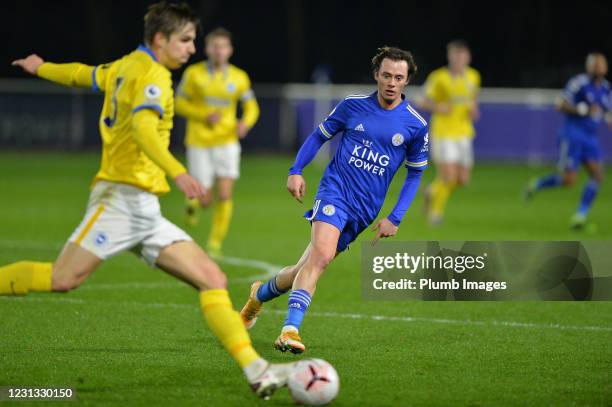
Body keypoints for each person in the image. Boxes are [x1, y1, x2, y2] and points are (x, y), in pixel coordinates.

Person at [1, 2, 290, 398]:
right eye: (185, 40)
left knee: (213, 279)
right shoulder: (153, 75)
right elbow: (142, 127)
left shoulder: (125, 66)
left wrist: (41, 66)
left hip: (145, 209)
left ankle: (257, 370)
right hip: (119, 199)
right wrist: (179, 171)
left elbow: (82, 75)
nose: (192, 48)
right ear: (160, 39)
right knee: (62, 279)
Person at [240, 46, 429, 354]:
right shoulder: (353, 105)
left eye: (398, 77)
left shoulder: (416, 125)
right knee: (322, 256)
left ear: (407, 81)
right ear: (376, 76)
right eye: (386, 75)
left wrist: (395, 217)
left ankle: (257, 296)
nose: (391, 82)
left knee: (306, 266)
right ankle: (290, 330)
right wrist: (296, 170)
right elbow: (319, 136)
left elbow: (415, 174)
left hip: (365, 210)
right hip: (335, 191)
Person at [176, 27, 259, 256]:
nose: (219, 51)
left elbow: (252, 106)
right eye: (215, 46)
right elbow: (178, 103)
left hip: (227, 142)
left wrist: (246, 123)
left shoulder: (239, 77)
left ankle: (215, 243)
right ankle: (193, 204)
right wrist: (202, 115)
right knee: (204, 199)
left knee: (224, 195)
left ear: (230, 50)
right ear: (207, 49)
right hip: (199, 142)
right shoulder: (194, 74)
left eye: (223, 46)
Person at [525, 52, 611, 229]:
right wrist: (582, 110)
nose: (599, 67)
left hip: (590, 138)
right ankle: (537, 184)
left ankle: (580, 216)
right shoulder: (578, 83)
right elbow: (560, 104)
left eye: (602, 64)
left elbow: (607, 112)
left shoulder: (606, 88)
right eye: (596, 64)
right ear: (589, 67)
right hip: (573, 135)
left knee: (597, 175)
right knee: (568, 180)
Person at [417, 40, 481, 225]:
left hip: (464, 132)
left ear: (467, 57)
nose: (459, 59)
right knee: (448, 176)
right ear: (449, 56)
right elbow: (421, 100)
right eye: (455, 55)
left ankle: (431, 192)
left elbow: (472, 99)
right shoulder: (439, 77)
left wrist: (473, 109)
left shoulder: (473, 77)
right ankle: (435, 214)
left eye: (462, 55)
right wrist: (437, 106)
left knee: (462, 180)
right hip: (443, 133)